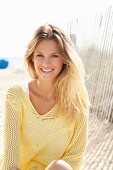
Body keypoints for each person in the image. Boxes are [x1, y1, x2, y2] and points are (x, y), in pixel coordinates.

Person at [0, 24, 90, 170]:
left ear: (65, 59)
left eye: (54, 56)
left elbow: (74, 159)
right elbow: (10, 162)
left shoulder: (77, 102)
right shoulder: (15, 96)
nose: (46, 63)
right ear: (32, 59)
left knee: (59, 166)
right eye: (39, 55)